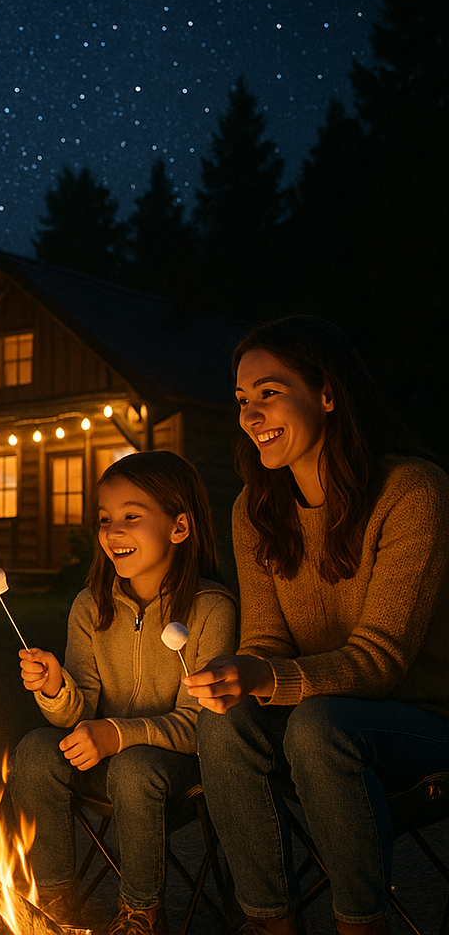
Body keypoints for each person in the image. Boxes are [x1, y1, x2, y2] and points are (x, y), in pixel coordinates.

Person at [186, 316, 449, 935]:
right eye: (242, 400)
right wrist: (243, 673)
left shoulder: (412, 491)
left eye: (269, 393)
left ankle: (362, 924)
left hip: (422, 721)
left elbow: (379, 662)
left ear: (327, 393)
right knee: (223, 722)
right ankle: (270, 922)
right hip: (317, 716)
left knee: (316, 724)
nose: (251, 415)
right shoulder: (255, 510)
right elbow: (268, 643)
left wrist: (265, 675)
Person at [8, 450, 236, 934]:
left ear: (179, 527)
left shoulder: (212, 609)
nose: (113, 531)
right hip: (103, 753)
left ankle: (140, 913)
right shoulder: (90, 605)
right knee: (33, 750)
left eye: (131, 516)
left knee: (134, 768)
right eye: (105, 519)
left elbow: (202, 724)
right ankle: (53, 899)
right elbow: (79, 712)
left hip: (174, 765)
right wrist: (54, 687)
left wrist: (119, 734)